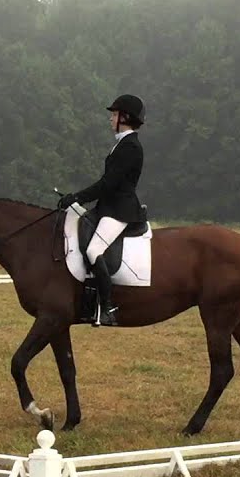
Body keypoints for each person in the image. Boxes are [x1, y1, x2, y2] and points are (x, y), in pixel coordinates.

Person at [57, 94, 145, 327]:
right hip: (107, 207)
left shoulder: (130, 147)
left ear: (125, 118)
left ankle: (108, 306)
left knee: (94, 249)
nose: (110, 118)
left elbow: (108, 184)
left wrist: (77, 197)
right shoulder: (122, 143)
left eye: (114, 114)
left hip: (120, 210)